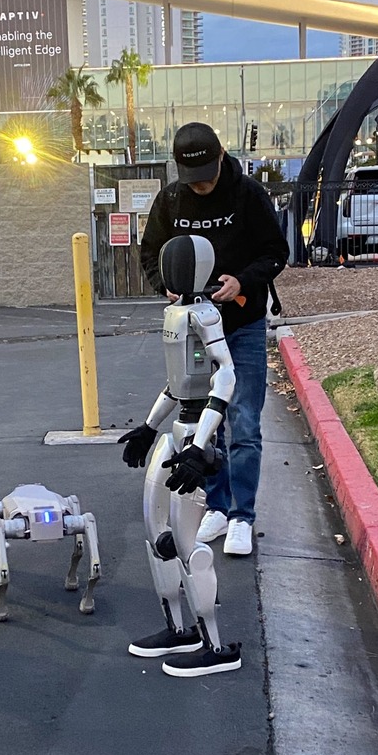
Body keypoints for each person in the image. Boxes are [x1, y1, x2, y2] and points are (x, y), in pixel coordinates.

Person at [140, 122, 289, 556]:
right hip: (194, 327)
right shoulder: (170, 199)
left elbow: (276, 252)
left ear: (221, 155)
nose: (202, 185)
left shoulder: (247, 194)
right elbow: (150, 251)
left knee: (243, 421)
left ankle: (243, 516)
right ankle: (218, 507)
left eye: (208, 172)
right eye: (193, 177)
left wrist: (241, 279)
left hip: (241, 322)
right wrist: (163, 282)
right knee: (204, 419)